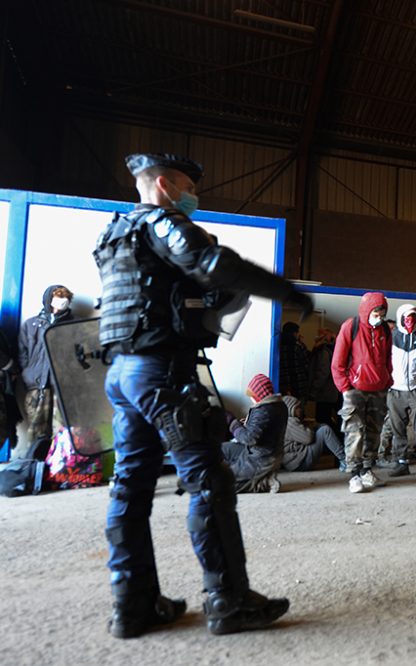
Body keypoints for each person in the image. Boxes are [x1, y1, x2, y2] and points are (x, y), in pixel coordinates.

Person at [95, 153, 312, 637]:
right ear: (167, 185)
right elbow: (214, 265)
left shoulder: (114, 235)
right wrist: (285, 291)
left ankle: (133, 605)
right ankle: (229, 600)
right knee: (209, 483)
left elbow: (159, 295)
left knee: (130, 486)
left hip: (124, 375)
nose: (194, 196)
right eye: (190, 186)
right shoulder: (162, 222)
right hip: (163, 375)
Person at [331, 292, 392, 494]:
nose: (380, 317)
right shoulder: (351, 326)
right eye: (376, 312)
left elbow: (387, 358)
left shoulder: (384, 329)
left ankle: (367, 470)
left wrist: (387, 379)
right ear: (367, 310)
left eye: (382, 313)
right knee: (354, 432)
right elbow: (338, 362)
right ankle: (354, 475)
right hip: (355, 390)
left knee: (374, 432)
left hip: (378, 389)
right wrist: (345, 388)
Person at [18, 285, 73, 453]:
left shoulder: (73, 325)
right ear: (49, 300)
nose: (61, 303)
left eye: (65, 299)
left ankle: (59, 467)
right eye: (57, 298)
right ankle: (33, 466)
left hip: (62, 387)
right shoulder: (31, 325)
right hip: (36, 385)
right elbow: (23, 352)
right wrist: (28, 372)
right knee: (36, 430)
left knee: (62, 430)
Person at [387, 304, 416, 479]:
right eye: (406, 318)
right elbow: (385, 362)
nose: (410, 321)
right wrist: (388, 385)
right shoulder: (392, 338)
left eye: (413, 317)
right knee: (397, 428)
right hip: (395, 390)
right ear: (400, 318)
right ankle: (402, 462)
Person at [222, 374, 288, 493]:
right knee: (222, 449)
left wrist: (232, 423)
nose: (251, 399)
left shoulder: (264, 410)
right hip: (259, 452)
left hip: (260, 459)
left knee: (221, 485)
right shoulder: (278, 406)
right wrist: (245, 425)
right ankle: (244, 475)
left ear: (259, 394)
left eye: (252, 395)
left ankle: (264, 483)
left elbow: (249, 438)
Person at [280, 394, 345, 472]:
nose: (300, 410)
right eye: (297, 407)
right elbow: (308, 438)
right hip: (300, 462)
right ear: (290, 409)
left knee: (322, 427)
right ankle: (345, 460)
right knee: (325, 430)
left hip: (296, 461)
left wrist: (314, 427)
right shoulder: (290, 422)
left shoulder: (284, 421)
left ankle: (340, 458)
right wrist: (313, 427)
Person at [308, 327, 341, 430]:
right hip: (331, 391)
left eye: (322, 334)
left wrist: (314, 390)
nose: (318, 336)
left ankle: (333, 442)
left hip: (324, 392)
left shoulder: (323, 351)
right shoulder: (331, 349)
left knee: (323, 420)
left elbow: (323, 372)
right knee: (328, 418)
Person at [278, 321, 309, 399]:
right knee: (298, 408)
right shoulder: (297, 346)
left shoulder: (278, 346)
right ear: (294, 333)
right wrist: (302, 343)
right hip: (298, 384)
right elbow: (306, 362)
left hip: (284, 383)